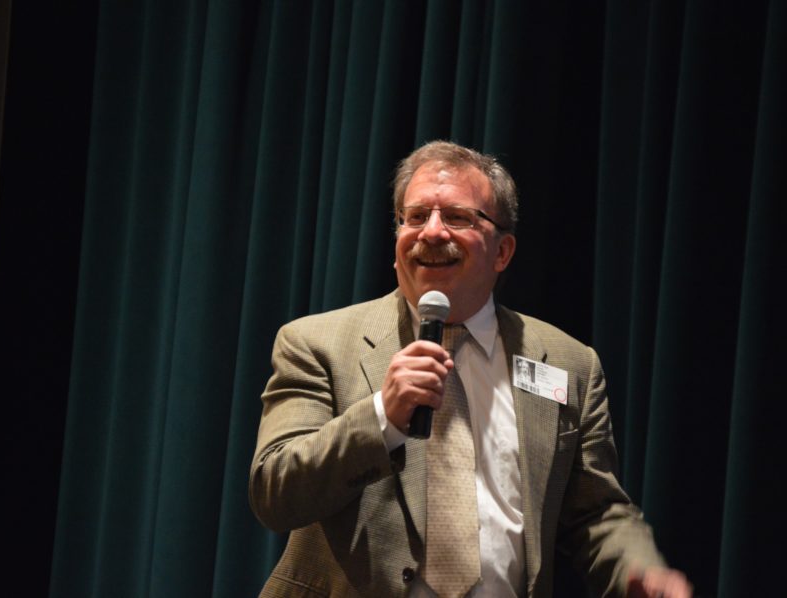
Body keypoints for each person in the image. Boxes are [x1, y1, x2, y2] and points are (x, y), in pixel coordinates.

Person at [249, 141, 691, 598]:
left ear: (502, 252)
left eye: (457, 217)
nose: (432, 232)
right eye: (415, 216)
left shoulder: (568, 364)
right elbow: (274, 491)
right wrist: (382, 417)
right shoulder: (317, 343)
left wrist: (639, 571)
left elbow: (595, 512)